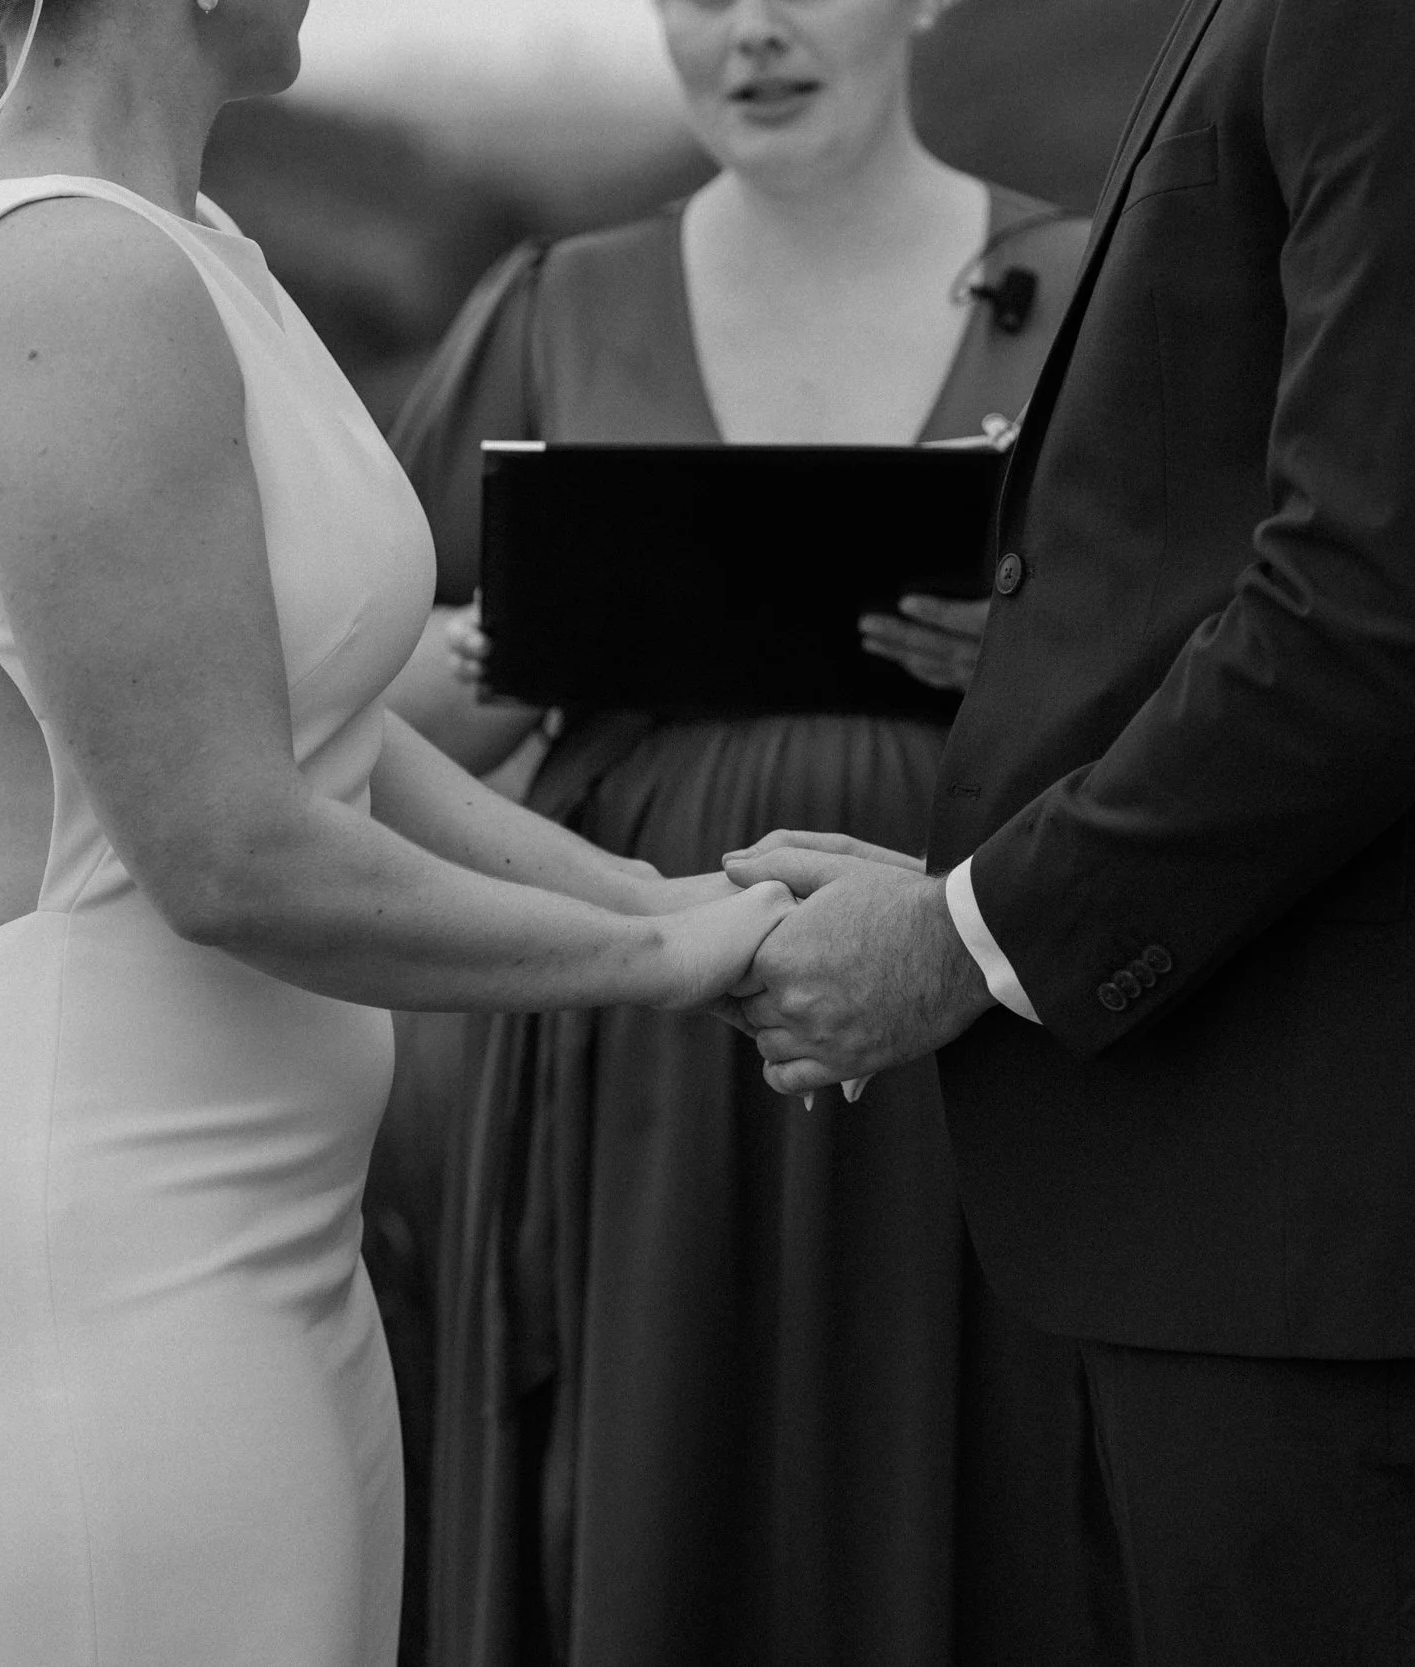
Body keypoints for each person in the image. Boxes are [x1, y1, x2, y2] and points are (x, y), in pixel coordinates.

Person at [0, 3, 793, 1665]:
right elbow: (227, 851)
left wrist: (649, 890)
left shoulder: (190, 249)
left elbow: (324, 728)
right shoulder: (63, 280)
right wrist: (658, 963)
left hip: (257, 1231)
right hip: (102, 1243)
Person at [725, 0, 1415, 1660]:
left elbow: (1378, 621)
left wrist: (970, 938)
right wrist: (979, 880)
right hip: (1285, 1181)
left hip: (1360, 1196)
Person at [381, 2, 1114, 1664]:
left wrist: (1044, 658)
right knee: (654, 1503)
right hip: (637, 1050)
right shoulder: (558, 305)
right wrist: (516, 641)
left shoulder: (1096, 290)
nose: (754, 31)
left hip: (984, 1041)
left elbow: (1222, 683)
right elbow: (357, 718)